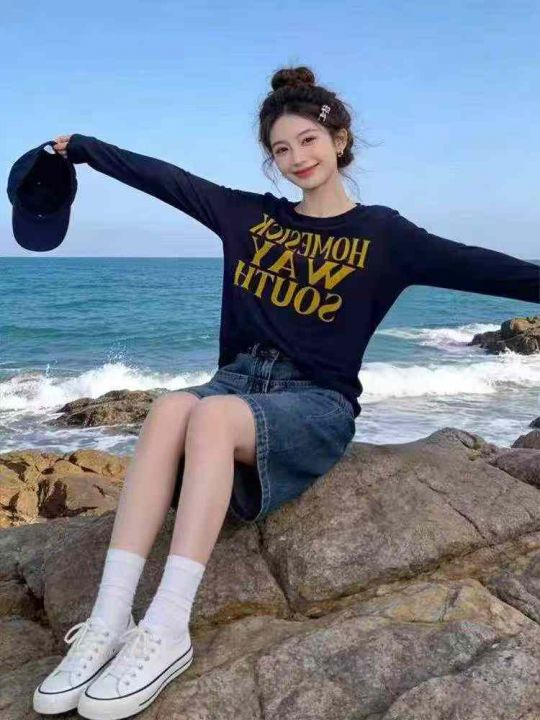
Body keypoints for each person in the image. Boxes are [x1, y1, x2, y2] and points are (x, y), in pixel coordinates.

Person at [33, 64, 539, 718]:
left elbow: (486, 268)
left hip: (314, 403)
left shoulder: (385, 236)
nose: (297, 158)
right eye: (281, 149)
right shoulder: (248, 216)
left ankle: (167, 626)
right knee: (169, 408)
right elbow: (166, 179)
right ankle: (108, 621)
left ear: (339, 140)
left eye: (308, 141)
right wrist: (84, 148)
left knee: (210, 417)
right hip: (237, 383)